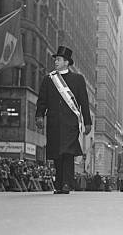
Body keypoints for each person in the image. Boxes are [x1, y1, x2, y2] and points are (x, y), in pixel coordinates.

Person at [35, 46, 92, 194]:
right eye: (55, 59)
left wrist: (87, 122)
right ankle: (59, 184)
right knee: (56, 154)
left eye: (59, 59)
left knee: (68, 152)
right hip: (54, 123)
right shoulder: (49, 79)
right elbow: (42, 100)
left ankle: (67, 183)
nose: (55, 61)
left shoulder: (78, 79)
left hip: (70, 123)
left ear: (67, 62)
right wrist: (39, 115)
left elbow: (84, 102)